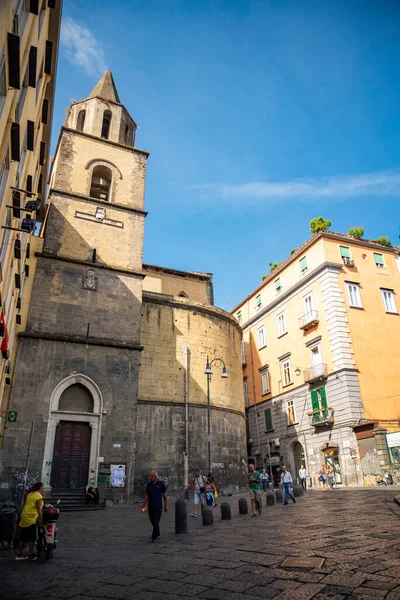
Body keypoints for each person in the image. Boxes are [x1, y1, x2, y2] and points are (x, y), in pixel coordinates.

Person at [15, 481, 44, 560]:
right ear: (40, 487)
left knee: (23, 536)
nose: (44, 487)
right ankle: (31, 554)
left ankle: (19, 553)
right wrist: (41, 519)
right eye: (43, 486)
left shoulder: (30, 494)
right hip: (30, 518)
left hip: (24, 516)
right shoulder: (38, 496)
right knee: (32, 537)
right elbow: (39, 510)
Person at [141, 471, 168, 543]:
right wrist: (144, 503)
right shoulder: (149, 485)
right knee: (152, 520)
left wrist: (166, 505)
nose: (150, 477)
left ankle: (154, 536)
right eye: (150, 476)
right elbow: (147, 494)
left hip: (158, 506)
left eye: (152, 476)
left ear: (156, 477)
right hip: (150, 506)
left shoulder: (161, 484)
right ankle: (157, 531)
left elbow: (165, 495)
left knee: (156, 521)